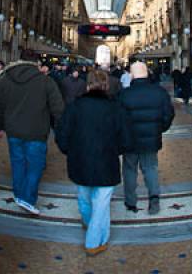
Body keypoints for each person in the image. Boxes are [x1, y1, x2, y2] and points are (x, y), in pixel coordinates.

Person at [55, 69, 134, 256]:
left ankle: (93, 233)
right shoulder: (116, 108)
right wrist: (115, 151)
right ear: (106, 86)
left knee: (84, 199)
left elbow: (62, 135)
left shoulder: (75, 106)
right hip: (106, 162)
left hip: (80, 161)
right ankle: (94, 240)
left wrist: (70, 151)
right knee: (101, 204)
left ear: (88, 85)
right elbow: (127, 139)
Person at [0, 57, 64, 215]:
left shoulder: (6, 80)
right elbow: (58, 109)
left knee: (18, 163)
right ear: (36, 64)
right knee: (35, 166)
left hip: (13, 131)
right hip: (37, 132)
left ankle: (19, 195)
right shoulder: (46, 82)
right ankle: (28, 199)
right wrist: (61, 128)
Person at [119, 60, 174, 214]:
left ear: (131, 76)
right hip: (151, 140)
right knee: (150, 168)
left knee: (129, 170)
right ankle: (154, 199)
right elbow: (168, 114)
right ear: (147, 73)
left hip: (129, 141)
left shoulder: (124, 94)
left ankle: (130, 202)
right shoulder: (159, 92)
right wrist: (159, 129)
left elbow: (117, 118)